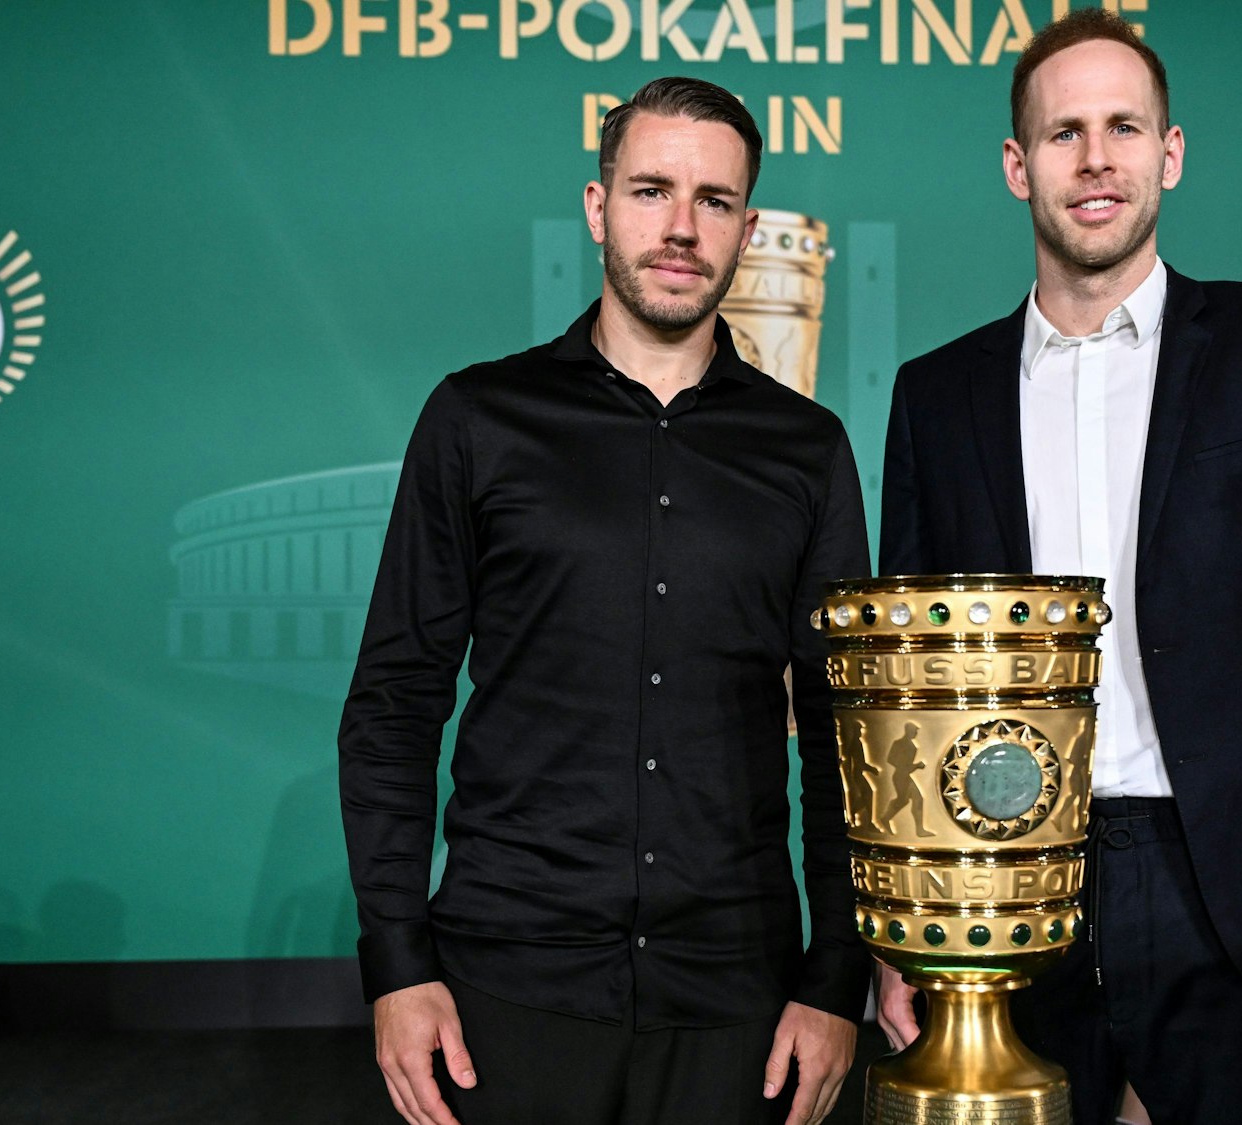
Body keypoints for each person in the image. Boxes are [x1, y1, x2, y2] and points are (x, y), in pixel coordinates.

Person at [873, 9, 1242, 1121]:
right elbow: (907, 693)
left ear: (1167, 153)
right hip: (1009, 891)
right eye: (1064, 131)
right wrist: (902, 931)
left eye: (1122, 127)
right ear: (1015, 165)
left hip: (1241, 887)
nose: (1094, 159)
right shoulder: (936, 395)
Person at [338, 77, 869, 1125]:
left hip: (739, 1004)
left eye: (713, 200)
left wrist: (833, 978)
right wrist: (396, 965)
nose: (680, 227)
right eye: (649, 191)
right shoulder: (478, 417)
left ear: (746, 228)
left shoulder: (807, 449)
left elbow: (843, 736)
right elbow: (396, 700)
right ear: (595, 207)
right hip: (504, 990)